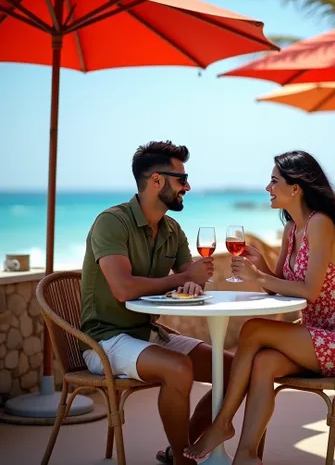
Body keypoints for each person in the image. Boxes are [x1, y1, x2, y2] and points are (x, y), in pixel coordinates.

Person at [184, 150, 335, 465]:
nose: (267, 188)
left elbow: (310, 291)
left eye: (274, 181)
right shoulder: (290, 230)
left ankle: (221, 424)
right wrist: (263, 269)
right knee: (264, 363)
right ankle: (246, 455)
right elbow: (283, 286)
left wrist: (260, 277)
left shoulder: (320, 224)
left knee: (254, 329)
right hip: (313, 338)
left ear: (295, 188)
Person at [80, 141, 233, 465]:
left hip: (148, 332)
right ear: (156, 181)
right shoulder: (111, 222)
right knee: (179, 369)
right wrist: (181, 279)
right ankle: (183, 459)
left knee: (234, 369)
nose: (187, 186)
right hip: (106, 340)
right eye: (181, 179)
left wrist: (195, 278)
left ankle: (186, 446)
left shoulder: (171, 229)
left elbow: (191, 277)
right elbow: (123, 289)